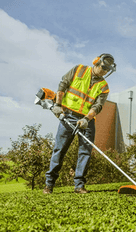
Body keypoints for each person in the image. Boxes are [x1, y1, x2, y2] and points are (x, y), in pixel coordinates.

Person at [43, 53, 116, 194]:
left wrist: (86, 120)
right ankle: (49, 185)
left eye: (107, 70)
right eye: (102, 67)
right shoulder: (79, 69)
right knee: (59, 150)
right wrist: (58, 105)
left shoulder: (104, 87)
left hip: (86, 121)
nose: (103, 71)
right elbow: (63, 84)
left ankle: (79, 186)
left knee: (85, 152)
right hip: (68, 116)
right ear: (96, 62)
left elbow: (97, 106)